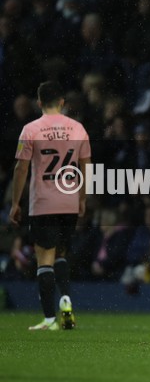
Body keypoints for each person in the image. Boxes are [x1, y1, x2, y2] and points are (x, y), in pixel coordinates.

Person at [10, 81, 91, 331]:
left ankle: (48, 319)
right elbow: (86, 166)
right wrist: (82, 198)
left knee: (44, 258)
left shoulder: (30, 130)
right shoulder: (77, 128)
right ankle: (66, 299)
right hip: (68, 201)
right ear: (62, 102)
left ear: (39, 102)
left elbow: (21, 167)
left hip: (43, 202)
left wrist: (15, 202)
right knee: (62, 254)